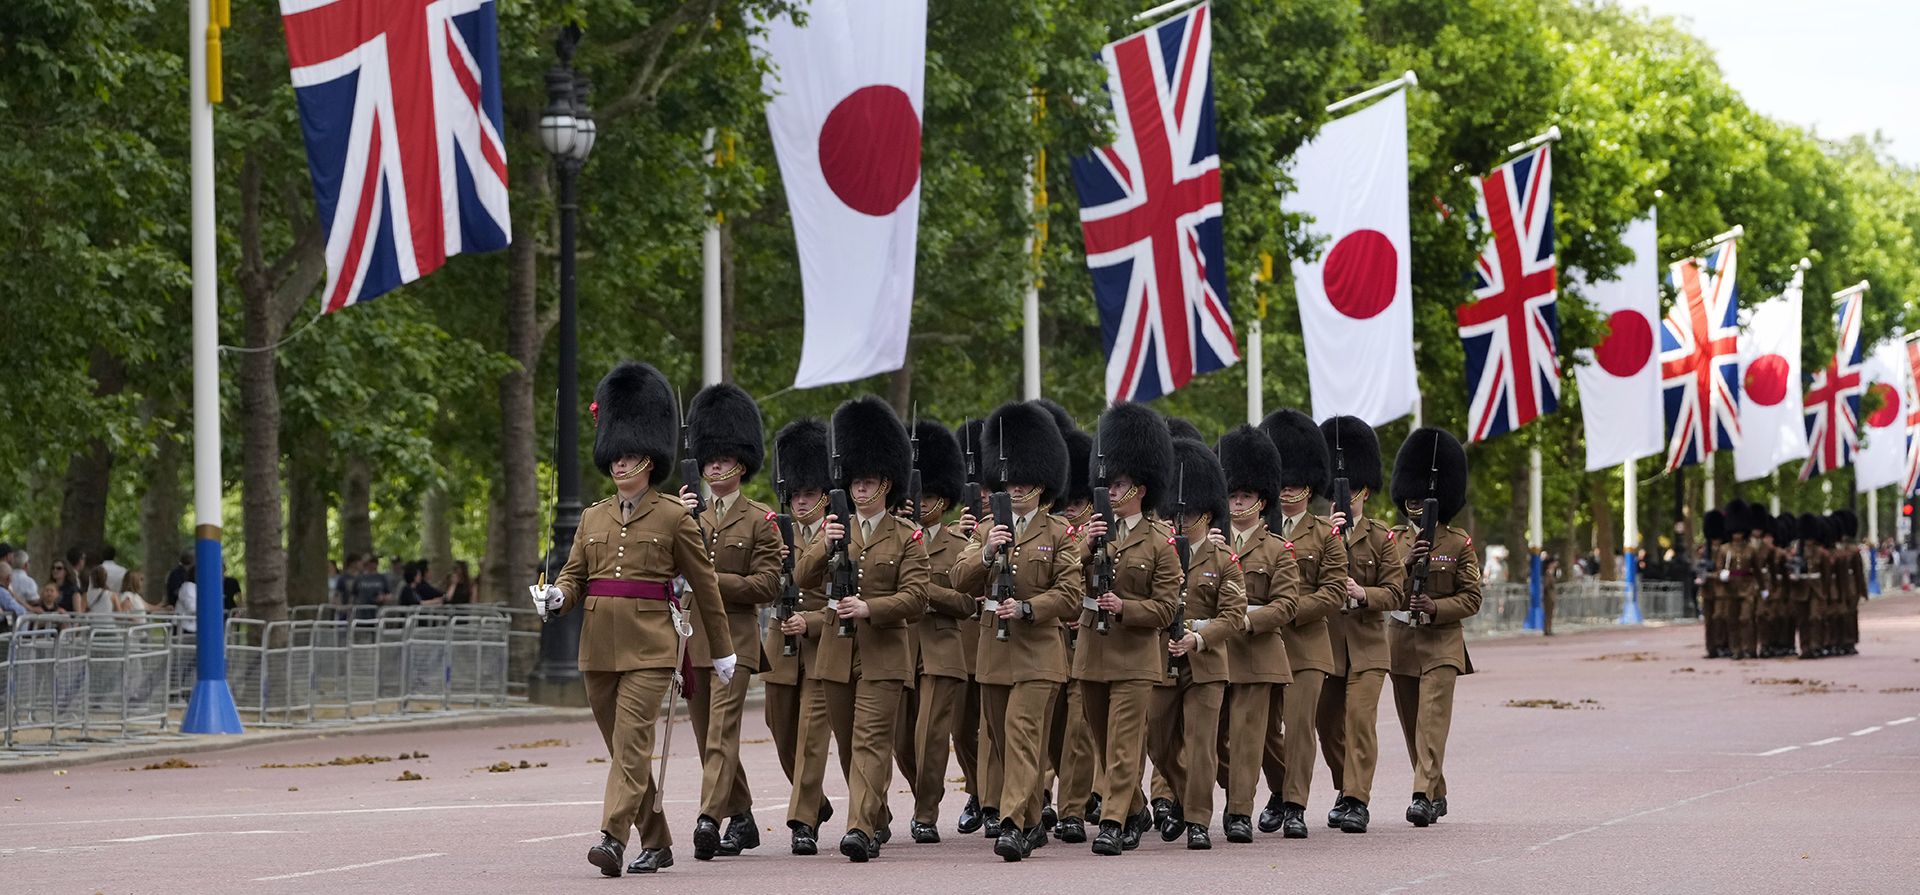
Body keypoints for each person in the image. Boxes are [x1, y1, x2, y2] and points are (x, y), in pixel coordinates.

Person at [533, 360, 737, 877]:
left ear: (649, 461)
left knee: (631, 745)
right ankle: (658, 840)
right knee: (627, 752)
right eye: (615, 457)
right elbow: (575, 577)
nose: (618, 465)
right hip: (598, 646)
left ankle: (611, 838)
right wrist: (555, 596)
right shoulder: (592, 516)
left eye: (628, 458)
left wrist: (723, 649)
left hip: (651, 645)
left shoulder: (673, 516)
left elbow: (706, 584)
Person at [778, 395, 929, 863]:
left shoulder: (907, 536)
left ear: (886, 483)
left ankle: (860, 828)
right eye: (854, 483)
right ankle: (877, 814)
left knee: (869, 740)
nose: (859, 491)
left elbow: (917, 597)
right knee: (846, 744)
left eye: (867, 483)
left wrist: (871, 608)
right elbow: (801, 576)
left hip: (883, 651)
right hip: (836, 655)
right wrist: (825, 544)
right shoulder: (834, 528)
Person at [952, 401, 1084, 861]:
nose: (1017, 487)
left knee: (1023, 732)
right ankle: (1028, 820)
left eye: (1025, 480)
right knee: (1008, 744)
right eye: (1010, 480)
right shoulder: (988, 528)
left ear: (1042, 483)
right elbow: (958, 577)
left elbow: (1070, 593)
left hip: (1040, 651)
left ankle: (1009, 823)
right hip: (994, 652)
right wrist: (987, 552)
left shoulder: (1061, 532)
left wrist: (1029, 607)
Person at [677, 381, 782, 861]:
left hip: (737, 640)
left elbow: (768, 585)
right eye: (709, 459)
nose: (714, 466)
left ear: (741, 463)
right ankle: (742, 817)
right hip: (695, 640)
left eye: (723, 459)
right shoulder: (687, 518)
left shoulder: (762, 520)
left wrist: (713, 582)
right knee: (706, 737)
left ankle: (708, 819)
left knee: (722, 730)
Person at [1072, 401, 1178, 857]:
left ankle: (1113, 822)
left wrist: (1127, 607)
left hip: (1135, 656)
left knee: (1124, 744)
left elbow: (1167, 605)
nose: (1111, 491)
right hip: (1092, 653)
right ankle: (1133, 807)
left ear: (1139, 486)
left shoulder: (1159, 543)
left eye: (1118, 484)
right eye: (1108, 482)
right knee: (1102, 739)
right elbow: (1064, 581)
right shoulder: (1091, 536)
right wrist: (1086, 545)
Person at [1144, 434, 1243, 851]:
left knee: (1202, 747)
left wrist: (1199, 638)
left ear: (1207, 514)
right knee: (1159, 744)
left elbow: (1234, 616)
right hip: (1163, 661)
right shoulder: (1160, 553)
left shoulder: (1224, 560)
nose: (1182, 521)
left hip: (1205, 663)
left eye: (1190, 515)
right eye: (1176, 515)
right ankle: (1186, 800)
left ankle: (1199, 819)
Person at [1257, 409, 1348, 839]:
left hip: (1308, 645)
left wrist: (1288, 608)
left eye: (1293, 486)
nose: (1286, 492)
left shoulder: (1325, 534)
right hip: (1261, 644)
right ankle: (1278, 788)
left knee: (1298, 728)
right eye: (1282, 485)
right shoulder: (1256, 533)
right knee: (1258, 730)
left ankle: (1294, 803)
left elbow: (1332, 593)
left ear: (1308, 488)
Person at [1387, 427, 1481, 828]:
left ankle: (1421, 795)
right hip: (1402, 643)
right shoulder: (1390, 542)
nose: (1412, 499)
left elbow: (1472, 598)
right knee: (1412, 726)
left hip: (1442, 643)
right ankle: (1435, 789)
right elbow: (1383, 589)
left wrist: (1436, 606)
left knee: (1432, 720)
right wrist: (1406, 563)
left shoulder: (1458, 543)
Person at [1212, 425, 1302, 844]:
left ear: (1261, 501)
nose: (1237, 503)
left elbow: (1285, 606)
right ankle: (1279, 791)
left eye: (1245, 497)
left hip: (1256, 653)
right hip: (1215, 651)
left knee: (1251, 737)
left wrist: (1245, 619)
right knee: (1213, 741)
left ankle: (1239, 811)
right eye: (1231, 496)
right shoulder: (1208, 545)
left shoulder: (1277, 549)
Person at [1316, 415, 1402, 835]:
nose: (1340, 498)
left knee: (1359, 718)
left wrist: (1364, 594)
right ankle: (1343, 787)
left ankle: (1357, 798)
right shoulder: (1319, 535)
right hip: (1328, 645)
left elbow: (1396, 592)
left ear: (1362, 491)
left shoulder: (1382, 538)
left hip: (1368, 645)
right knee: (1326, 722)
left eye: (1347, 491)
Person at [761, 418, 837, 852]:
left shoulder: (841, 533)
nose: (802, 500)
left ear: (824, 494)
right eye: (796, 493)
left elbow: (859, 592)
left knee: (811, 734)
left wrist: (813, 621)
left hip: (825, 641)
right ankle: (816, 799)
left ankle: (803, 820)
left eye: (810, 493)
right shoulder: (773, 530)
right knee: (782, 731)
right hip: (781, 643)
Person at [903, 417, 977, 845]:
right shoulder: (895, 538)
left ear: (943, 499)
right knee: (900, 741)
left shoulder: (958, 543)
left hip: (942, 647)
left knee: (933, 735)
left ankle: (926, 813)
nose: (920, 502)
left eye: (928, 495)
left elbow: (966, 602)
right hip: (898, 647)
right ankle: (921, 795)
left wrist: (923, 593)